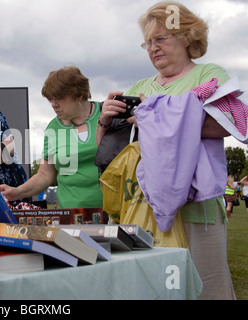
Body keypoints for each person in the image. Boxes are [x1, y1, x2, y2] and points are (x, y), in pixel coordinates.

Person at [97, 1, 236, 300]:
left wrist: (153, 119)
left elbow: (226, 124)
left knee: (207, 289)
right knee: (152, 290)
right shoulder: (140, 84)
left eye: (161, 39)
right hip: (143, 206)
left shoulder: (208, 75)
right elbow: (115, 155)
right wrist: (105, 121)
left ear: (187, 36)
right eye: (148, 42)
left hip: (197, 211)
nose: (153, 48)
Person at [0, 65, 103, 209]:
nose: (53, 104)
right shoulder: (53, 128)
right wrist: (17, 192)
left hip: (112, 214)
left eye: (59, 98)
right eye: (50, 99)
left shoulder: (107, 115)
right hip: (69, 216)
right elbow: (45, 175)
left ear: (78, 95)